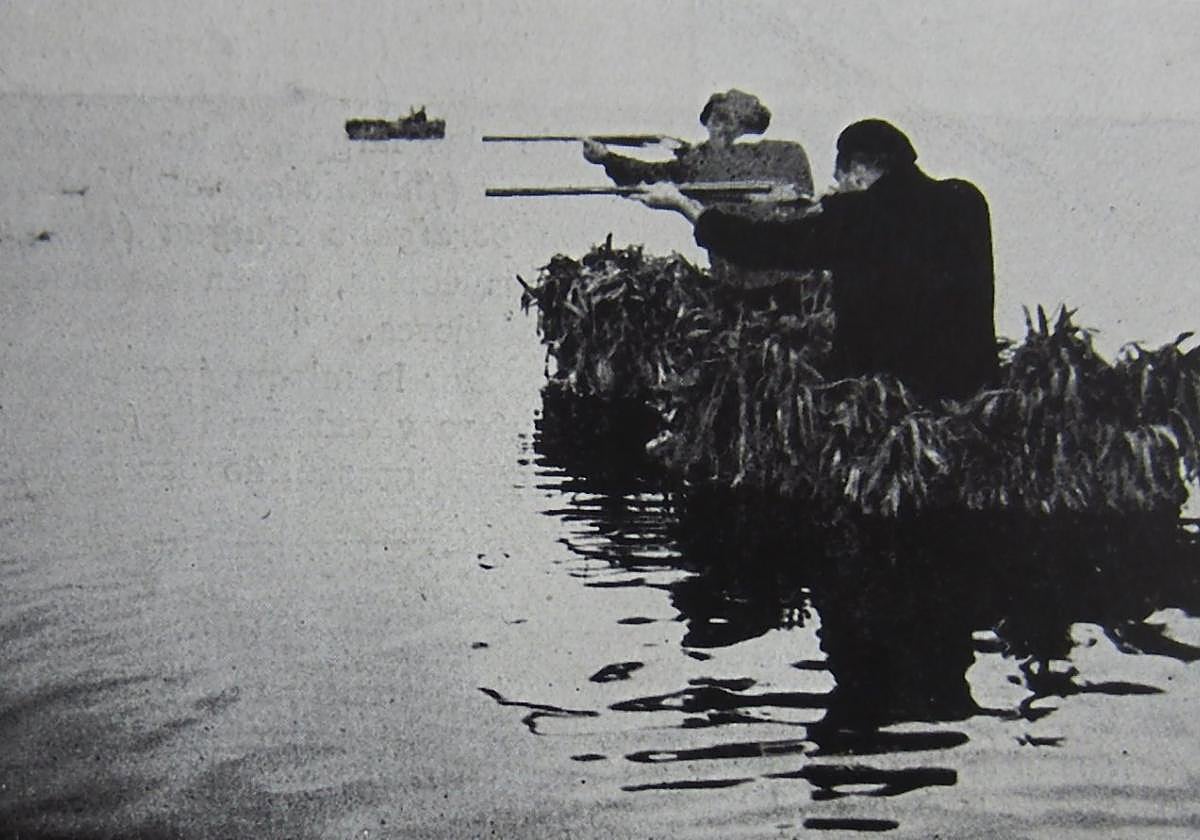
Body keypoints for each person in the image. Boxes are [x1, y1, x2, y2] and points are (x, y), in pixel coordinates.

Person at [632, 118, 999, 401]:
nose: (837, 184)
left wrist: (684, 206)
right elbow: (894, 229)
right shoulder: (964, 199)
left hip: (888, 394)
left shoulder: (855, 215)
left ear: (858, 168)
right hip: (969, 385)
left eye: (842, 177)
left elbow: (760, 247)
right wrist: (820, 209)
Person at [583, 89, 815, 293]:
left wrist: (607, 158)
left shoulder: (785, 154)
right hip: (738, 274)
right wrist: (607, 158)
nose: (718, 128)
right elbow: (647, 176)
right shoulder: (701, 161)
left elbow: (802, 203)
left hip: (782, 275)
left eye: (726, 120)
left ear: (744, 125)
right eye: (716, 120)